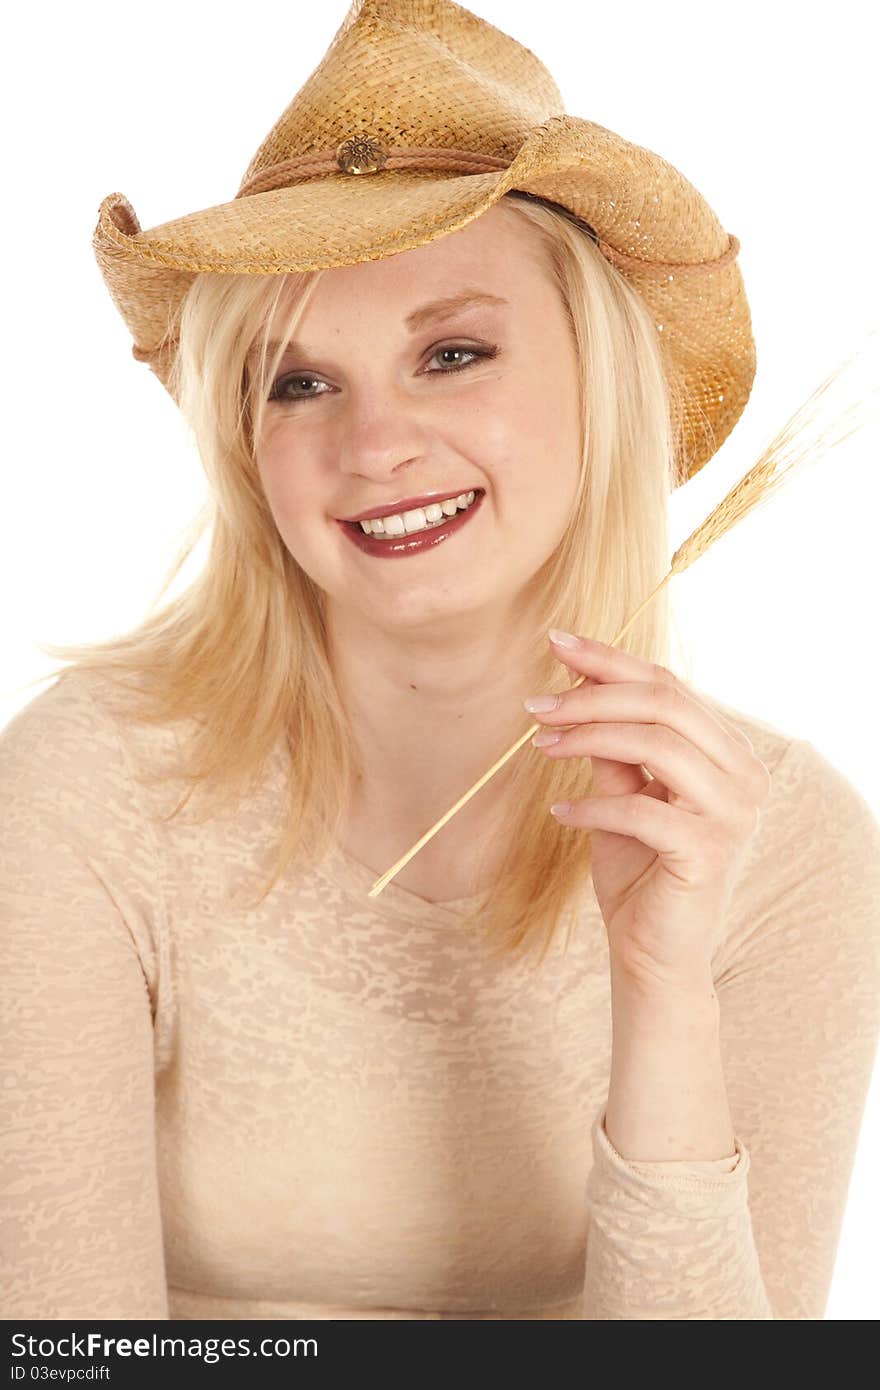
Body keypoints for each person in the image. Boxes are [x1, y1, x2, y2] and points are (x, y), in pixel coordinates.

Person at [2, 0, 879, 1322]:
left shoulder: (785, 846)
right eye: (298, 383)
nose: (374, 446)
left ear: (599, 373)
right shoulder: (81, 798)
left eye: (451, 353)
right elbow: (64, 1359)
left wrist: (661, 990)